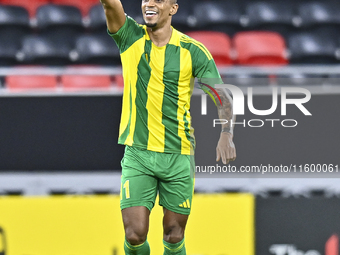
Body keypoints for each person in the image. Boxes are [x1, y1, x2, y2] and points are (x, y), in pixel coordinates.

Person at [100, 0, 236, 254]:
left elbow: (222, 98)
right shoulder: (129, 36)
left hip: (178, 155)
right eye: (145, 0)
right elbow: (110, 5)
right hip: (138, 153)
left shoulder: (193, 51)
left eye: (158, 0)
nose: (149, 4)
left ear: (173, 9)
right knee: (134, 234)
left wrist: (226, 134)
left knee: (174, 235)